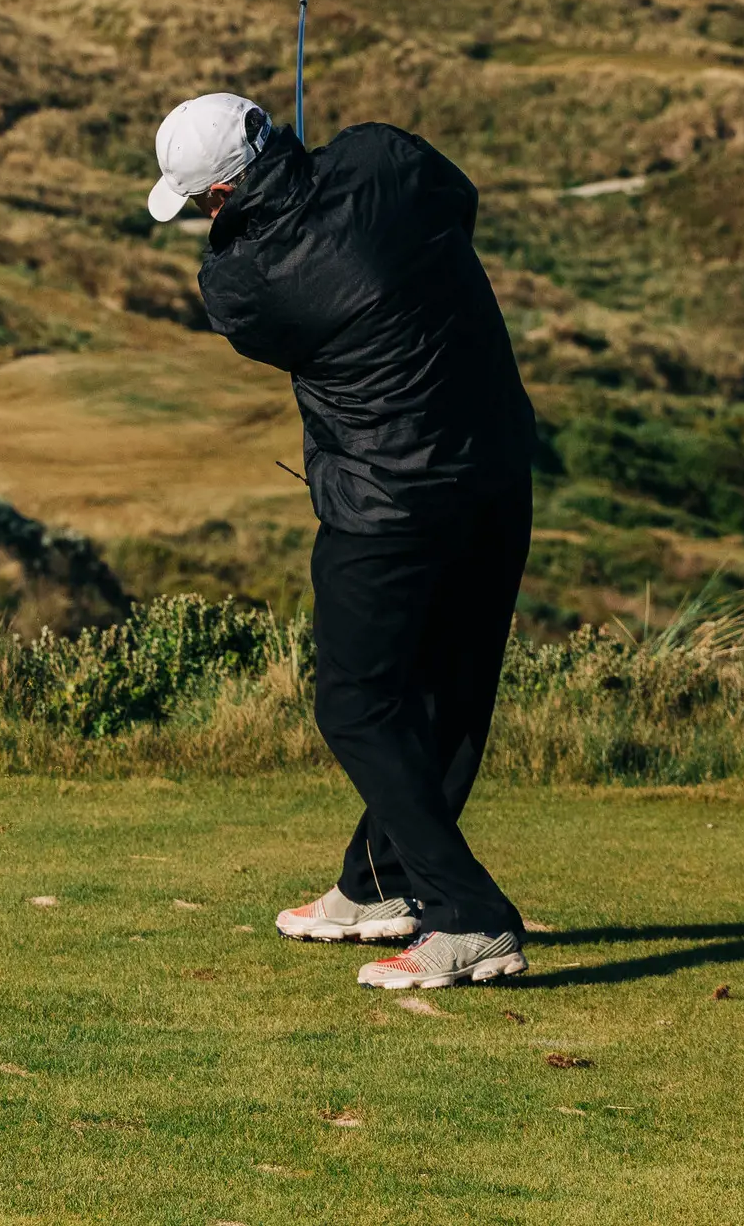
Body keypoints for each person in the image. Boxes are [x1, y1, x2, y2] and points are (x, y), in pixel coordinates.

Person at [146, 90, 540, 990]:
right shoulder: (382, 159)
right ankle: (378, 884)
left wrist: (250, 218)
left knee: (358, 704)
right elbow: (453, 200)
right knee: (446, 690)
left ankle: (469, 916)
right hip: (494, 469)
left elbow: (253, 280)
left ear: (215, 196)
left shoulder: (238, 284)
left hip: (385, 504)